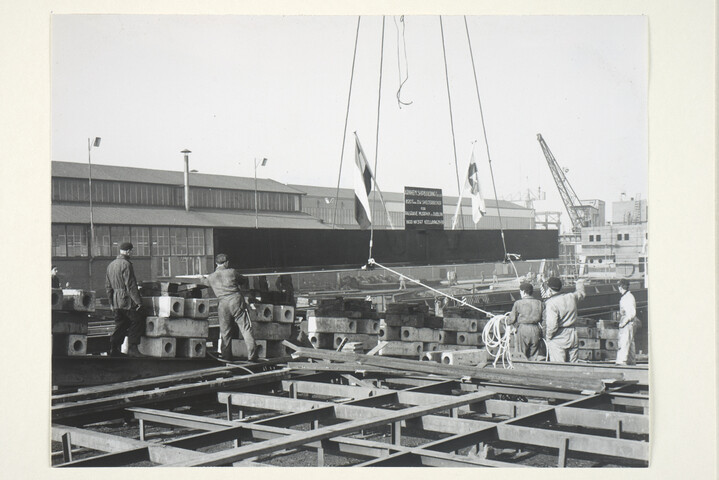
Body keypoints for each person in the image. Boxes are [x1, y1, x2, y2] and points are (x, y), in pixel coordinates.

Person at [205, 253, 257, 361]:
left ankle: (226, 357)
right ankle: (252, 356)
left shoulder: (211, 277)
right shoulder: (232, 272)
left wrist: (202, 278)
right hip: (235, 301)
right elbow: (243, 280)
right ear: (227, 262)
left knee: (225, 332)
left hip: (223, 304)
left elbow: (205, 282)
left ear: (216, 263)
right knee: (245, 328)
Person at [105, 242, 145, 357]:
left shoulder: (111, 265)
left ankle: (114, 348)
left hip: (116, 300)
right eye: (131, 251)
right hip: (126, 300)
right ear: (128, 251)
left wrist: (111, 303)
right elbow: (131, 285)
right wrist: (138, 302)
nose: (131, 253)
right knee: (137, 320)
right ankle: (133, 348)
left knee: (121, 324)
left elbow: (108, 286)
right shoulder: (126, 265)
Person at [543, 276, 586, 362]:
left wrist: (548, 337)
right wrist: (579, 283)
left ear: (550, 290)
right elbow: (581, 294)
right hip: (572, 334)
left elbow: (552, 325)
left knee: (559, 368)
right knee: (574, 365)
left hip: (558, 337)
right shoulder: (571, 297)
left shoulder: (551, 303)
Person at [506, 282, 544, 360]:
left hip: (523, 329)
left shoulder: (518, 303)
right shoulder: (539, 303)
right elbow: (544, 319)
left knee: (521, 355)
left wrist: (505, 320)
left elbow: (511, 319)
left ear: (523, 291)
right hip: (536, 329)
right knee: (534, 356)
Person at [616, 278, 637, 365]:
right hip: (629, 324)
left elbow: (631, 313)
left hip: (627, 324)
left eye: (619, 286)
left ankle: (622, 363)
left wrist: (623, 323)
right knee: (630, 345)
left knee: (624, 344)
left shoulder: (628, 298)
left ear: (621, 287)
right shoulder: (627, 297)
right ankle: (632, 363)